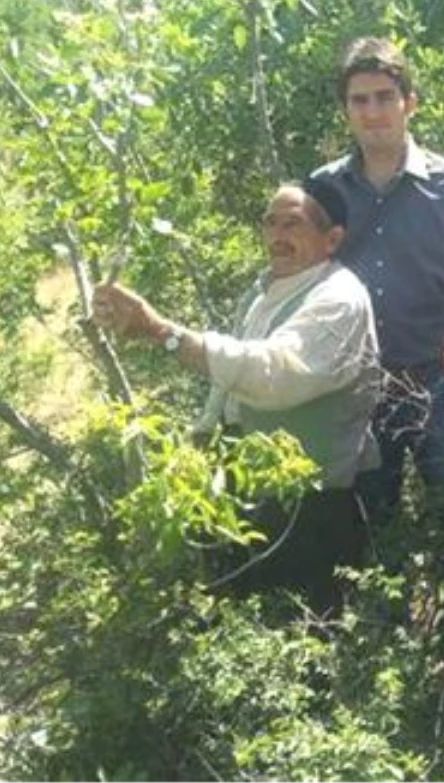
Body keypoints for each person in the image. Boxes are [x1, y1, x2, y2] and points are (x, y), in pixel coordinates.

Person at [91, 181, 380, 618]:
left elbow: (273, 374)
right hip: (253, 491)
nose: (277, 236)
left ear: (332, 238)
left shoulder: (339, 297)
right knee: (247, 619)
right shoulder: (265, 291)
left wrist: (162, 332)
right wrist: (205, 433)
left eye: (293, 224)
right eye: (270, 222)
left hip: (312, 499)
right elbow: (230, 382)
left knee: (309, 629)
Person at [310, 38, 444, 536]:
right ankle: (382, 618)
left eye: (385, 97)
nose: (373, 112)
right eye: (359, 100)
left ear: (409, 102)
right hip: (354, 385)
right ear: (345, 109)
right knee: (365, 527)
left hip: (441, 382)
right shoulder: (321, 191)